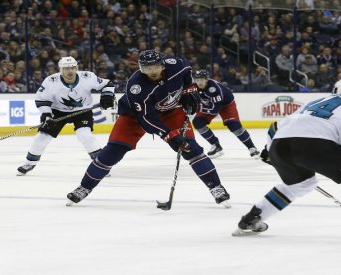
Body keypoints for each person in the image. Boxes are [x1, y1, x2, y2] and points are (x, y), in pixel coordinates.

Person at [232, 75, 341, 243]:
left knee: (299, 185)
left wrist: (268, 150)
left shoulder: (314, 102)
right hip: (316, 143)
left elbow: (275, 126)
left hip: (280, 145)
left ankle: (252, 218)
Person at [65, 50, 231, 207]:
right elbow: (147, 118)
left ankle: (216, 187)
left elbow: (187, 74)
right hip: (135, 117)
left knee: (191, 148)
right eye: (146, 68)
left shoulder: (176, 65)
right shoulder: (136, 86)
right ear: (140, 68)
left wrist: (189, 94)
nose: (151, 71)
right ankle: (84, 187)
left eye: (155, 67)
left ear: (162, 64)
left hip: (171, 111)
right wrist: (169, 136)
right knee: (112, 152)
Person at [17, 56, 115, 175]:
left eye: (73, 68)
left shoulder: (87, 77)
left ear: (76, 68)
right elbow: (42, 100)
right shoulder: (51, 81)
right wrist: (47, 114)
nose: (70, 71)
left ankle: (101, 166)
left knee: (85, 135)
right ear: (61, 70)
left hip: (82, 111)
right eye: (66, 68)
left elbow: (107, 84)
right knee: (42, 137)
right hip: (58, 111)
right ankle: (29, 163)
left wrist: (107, 96)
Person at [192, 69, 260, 159]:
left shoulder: (214, 88)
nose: (199, 82)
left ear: (207, 79)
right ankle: (216, 145)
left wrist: (197, 108)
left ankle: (252, 148)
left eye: (201, 79)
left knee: (234, 126)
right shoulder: (193, 86)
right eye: (197, 80)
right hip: (210, 104)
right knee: (198, 122)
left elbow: (214, 110)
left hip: (226, 105)